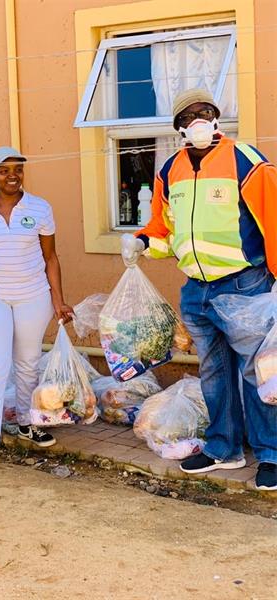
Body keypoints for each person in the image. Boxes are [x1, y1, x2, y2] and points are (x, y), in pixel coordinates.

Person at [123, 88, 277, 491]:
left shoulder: (245, 161)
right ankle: (224, 449)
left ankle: (270, 454)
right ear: (178, 127)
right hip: (197, 290)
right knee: (214, 373)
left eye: (205, 112)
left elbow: (274, 220)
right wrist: (141, 242)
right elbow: (163, 229)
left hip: (245, 285)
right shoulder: (169, 170)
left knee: (258, 374)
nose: (199, 121)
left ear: (217, 117)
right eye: (189, 116)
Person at [0, 147, 72, 463]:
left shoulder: (40, 208)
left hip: (33, 295)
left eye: (18, 169)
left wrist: (58, 301)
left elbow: (50, 257)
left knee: (28, 363)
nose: (12, 176)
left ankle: (25, 424)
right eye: (4, 170)